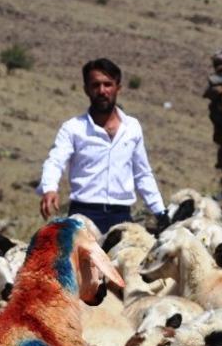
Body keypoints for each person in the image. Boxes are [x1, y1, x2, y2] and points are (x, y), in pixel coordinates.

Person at [37, 58, 166, 233]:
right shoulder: (73, 128)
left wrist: (160, 211)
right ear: (86, 90)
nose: (102, 91)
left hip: (121, 216)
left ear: (118, 87)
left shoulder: (132, 127)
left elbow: (142, 174)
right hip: (83, 216)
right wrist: (50, 188)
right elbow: (55, 161)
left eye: (108, 84)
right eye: (95, 85)